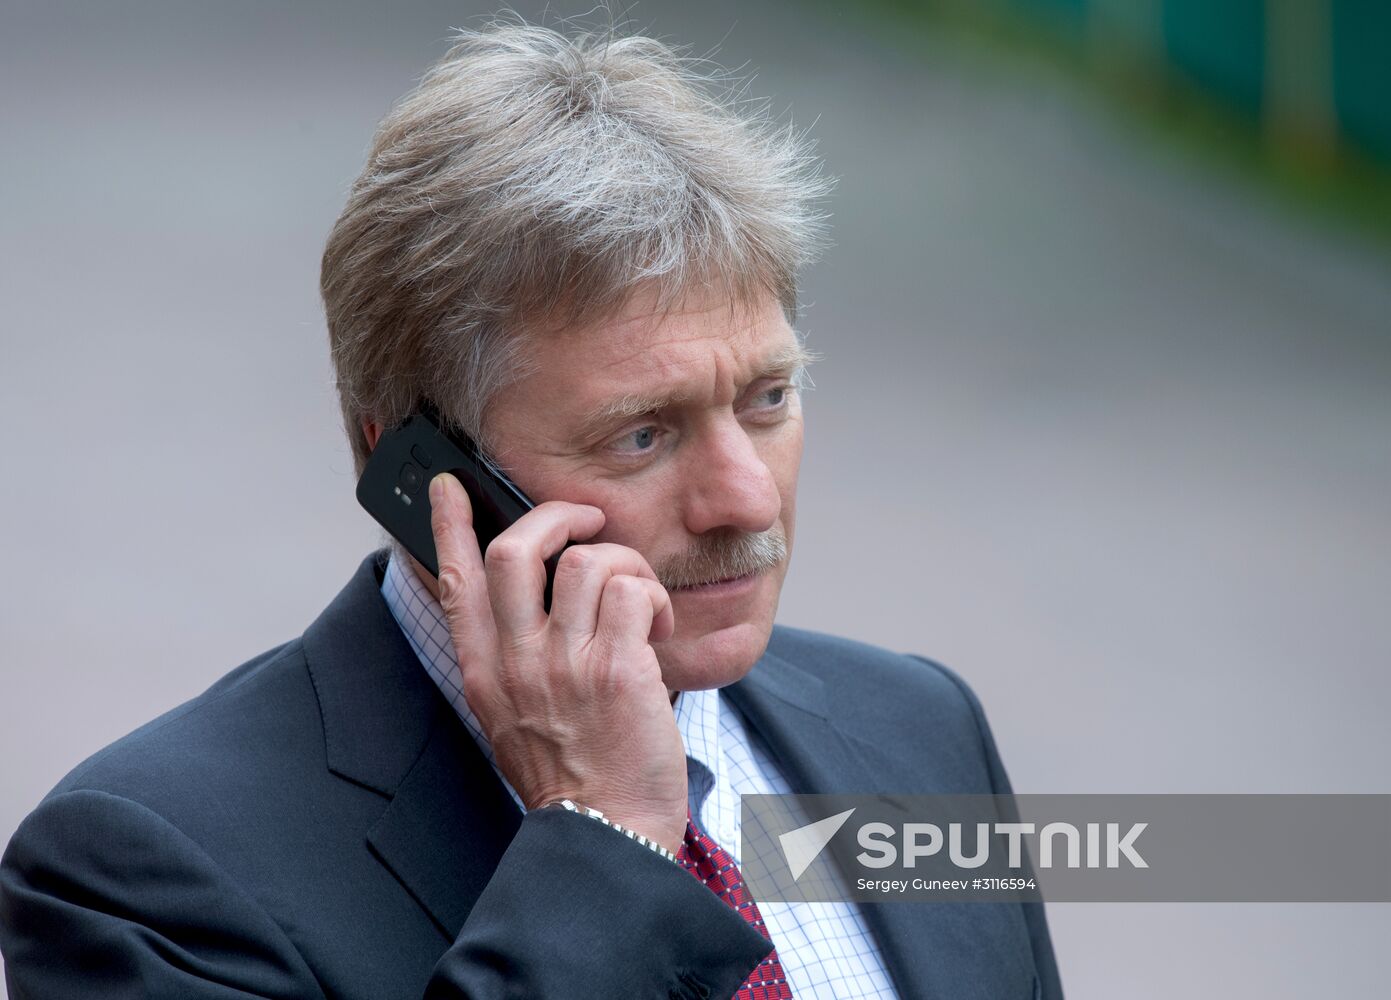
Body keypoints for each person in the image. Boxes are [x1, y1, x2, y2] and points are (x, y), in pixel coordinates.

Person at [0, 20, 1062, 1000]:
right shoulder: (145, 874)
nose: (744, 497)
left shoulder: (921, 730)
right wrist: (603, 837)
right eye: (640, 434)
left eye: (767, 398)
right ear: (421, 470)